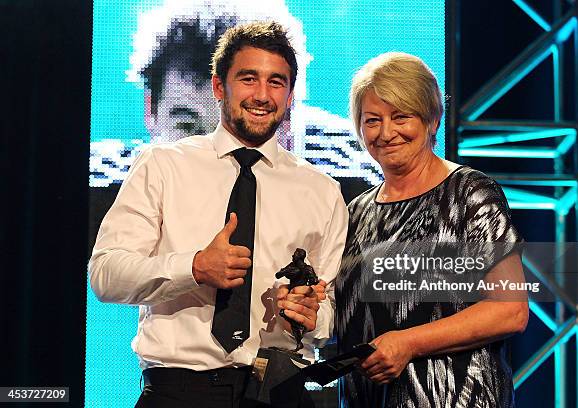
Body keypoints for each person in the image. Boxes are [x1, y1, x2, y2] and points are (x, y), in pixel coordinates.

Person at [89, 21, 348, 407]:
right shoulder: (162, 166)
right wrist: (194, 267)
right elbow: (106, 276)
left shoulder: (322, 191)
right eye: (248, 78)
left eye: (276, 82)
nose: (262, 95)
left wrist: (313, 316)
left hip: (280, 391)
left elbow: (328, 316)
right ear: (218, 86)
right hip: (180, 391)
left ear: (291, 95)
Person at [335, 52, 529, 407]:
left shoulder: (470, 193)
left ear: (432, 119)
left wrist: (407, 343)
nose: (386, 133)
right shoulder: (355, 212)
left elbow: (510, 309)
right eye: (372, 120)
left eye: (401, 117)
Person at [89, 0, 381, 188]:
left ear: (289, 118)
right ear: (150, 110)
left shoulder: (360, 182)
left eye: (241, 124)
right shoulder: (109, 182)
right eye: (186, 126)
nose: (216, 152)